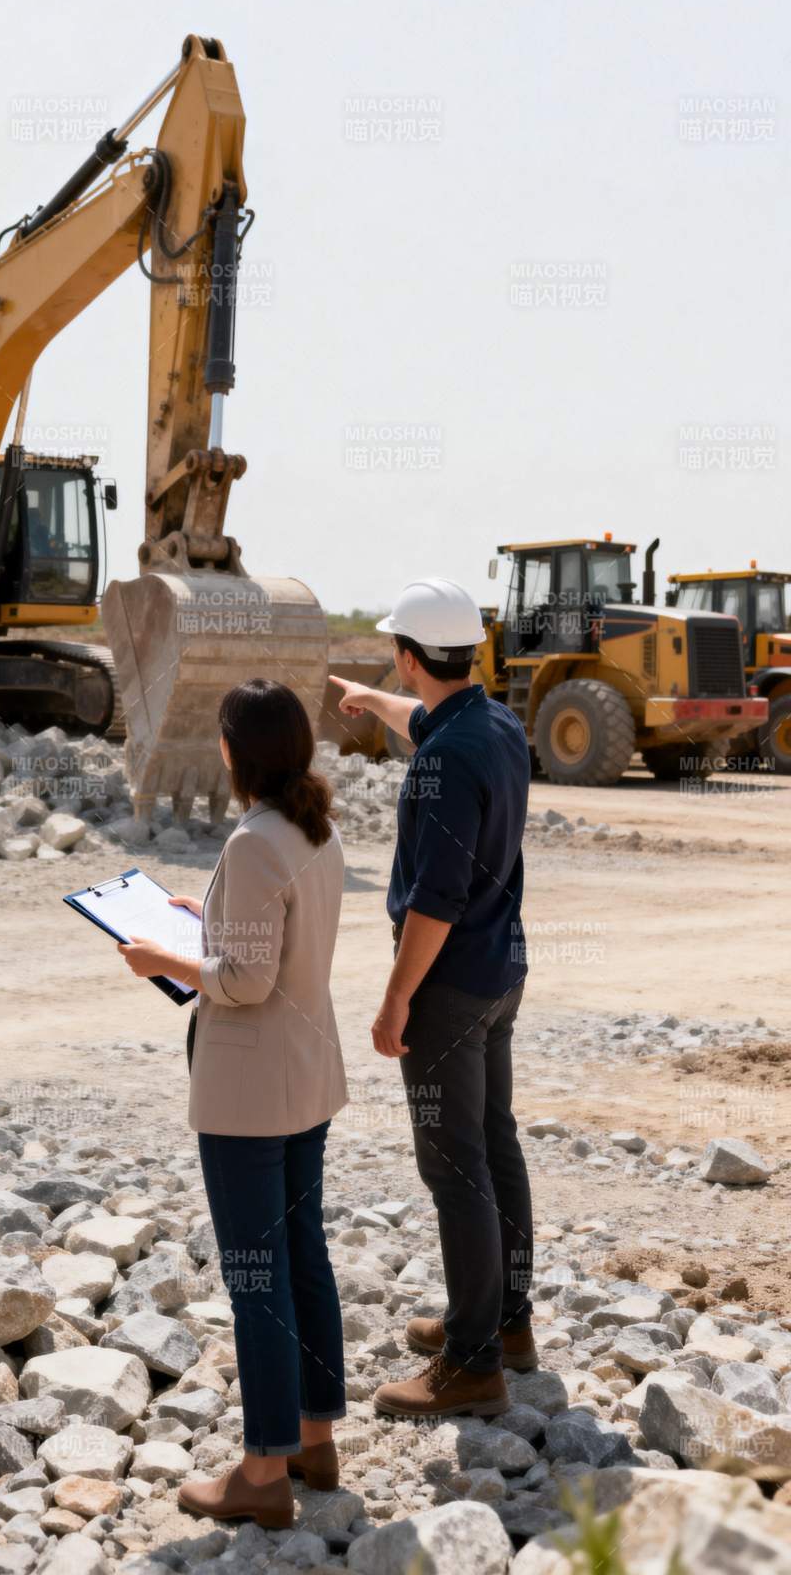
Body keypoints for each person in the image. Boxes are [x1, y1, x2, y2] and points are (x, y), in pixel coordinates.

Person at [118, 680, 348, 1529]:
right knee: (302, 1257)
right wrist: (200, 921)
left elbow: (246, 983)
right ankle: (314, 1440)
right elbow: (273, 950)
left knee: (257, 1275)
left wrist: (165, 961)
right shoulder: (310, 829)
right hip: (307, 1078)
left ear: (231, 752)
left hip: (252, 1093)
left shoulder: (255, 841)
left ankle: (262, 1474)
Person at [331, 577, 535, 1422]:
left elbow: (434, 901)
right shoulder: (494, 726)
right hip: (500, 975)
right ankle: (506, 1322)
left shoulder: (445, 761)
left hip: (447, 988)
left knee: (454, 1167)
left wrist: (393, 1004)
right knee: (494, 1145)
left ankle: (472, 1363)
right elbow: (416, 716)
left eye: (395, 659)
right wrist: (366, 697)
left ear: (411, 656)